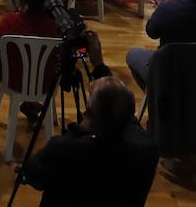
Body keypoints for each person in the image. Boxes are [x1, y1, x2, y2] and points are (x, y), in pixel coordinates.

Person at [20, 76, 157, 207]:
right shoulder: (148, 149)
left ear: (91, 113)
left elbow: (33, 175)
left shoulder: (63, 148)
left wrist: (79, 128)